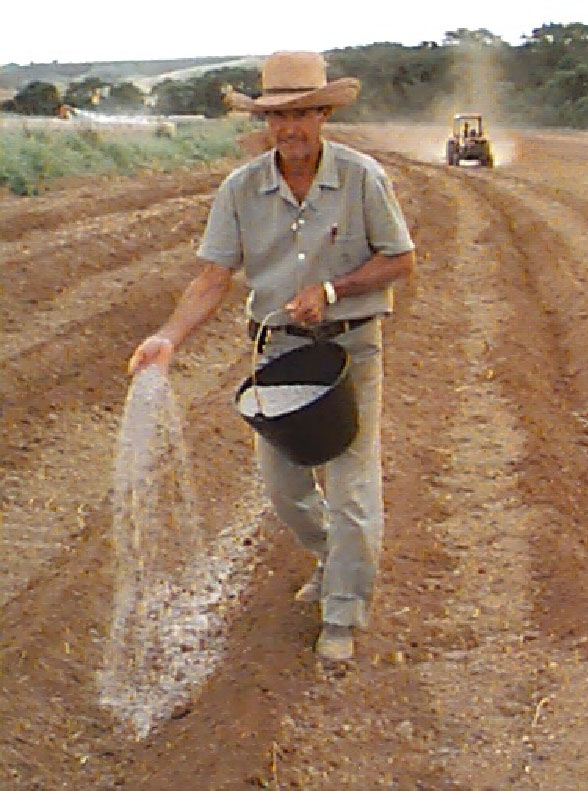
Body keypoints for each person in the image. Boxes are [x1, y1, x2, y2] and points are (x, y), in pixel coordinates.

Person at [127, 51, 416, 662]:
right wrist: (169, 340)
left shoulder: (363, 179)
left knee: (353, 487)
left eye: (304, 114)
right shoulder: (242, 189)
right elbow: (213, 278)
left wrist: (332, 291)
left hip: (350, 351)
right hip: (279, 354)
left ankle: (342, 612)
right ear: (265, 123)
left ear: (323, 115)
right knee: (282, 485)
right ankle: (331, 555)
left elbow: (401, 259)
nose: (292, 129)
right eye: (279, 118)